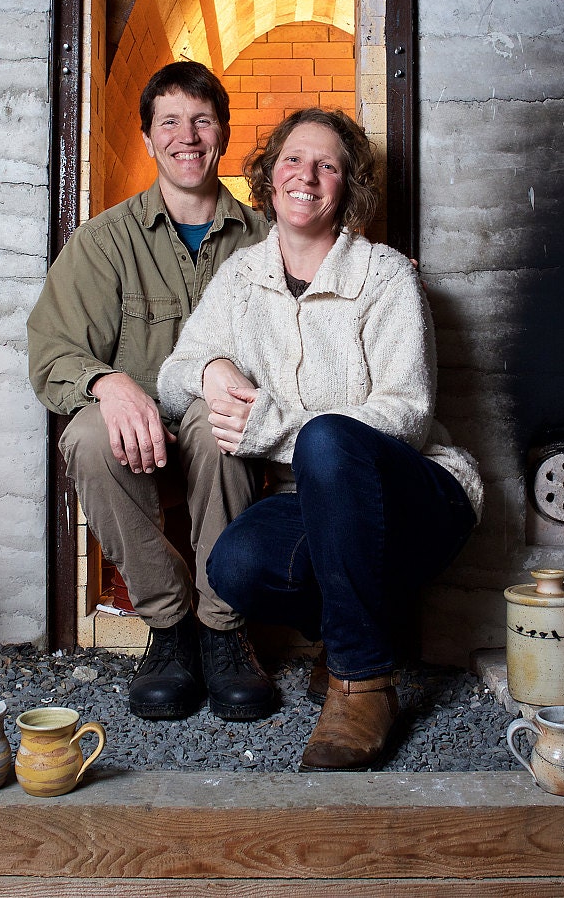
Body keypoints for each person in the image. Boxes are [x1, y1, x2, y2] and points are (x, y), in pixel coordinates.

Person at [157, 108, 483, 770]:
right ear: (270, 175)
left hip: (420, 494)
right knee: (235, 566)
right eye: (292, 160)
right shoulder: (242, 279)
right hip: (317, 504)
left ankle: (363, 683)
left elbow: (410, 412)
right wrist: (210, 368)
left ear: (348, 186)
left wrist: (275, 426)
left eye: (327, 165)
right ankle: (343, 635)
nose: (306, 175)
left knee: (330, 441)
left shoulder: (384, 275)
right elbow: (170, 377)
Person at [27, 61, 276, 722]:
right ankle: (170, 631)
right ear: (147, 138)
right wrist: (108, 384)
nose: (186, 136)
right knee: (83, 429)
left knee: (215, 417)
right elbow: (52, 350)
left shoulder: (266, 241)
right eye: (170, 121)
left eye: (201, 119)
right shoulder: (104, 241)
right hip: (139, 434)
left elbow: (323, 314)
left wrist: (376, 275)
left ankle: (223, 629)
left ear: (222, 131)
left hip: (228, 432)